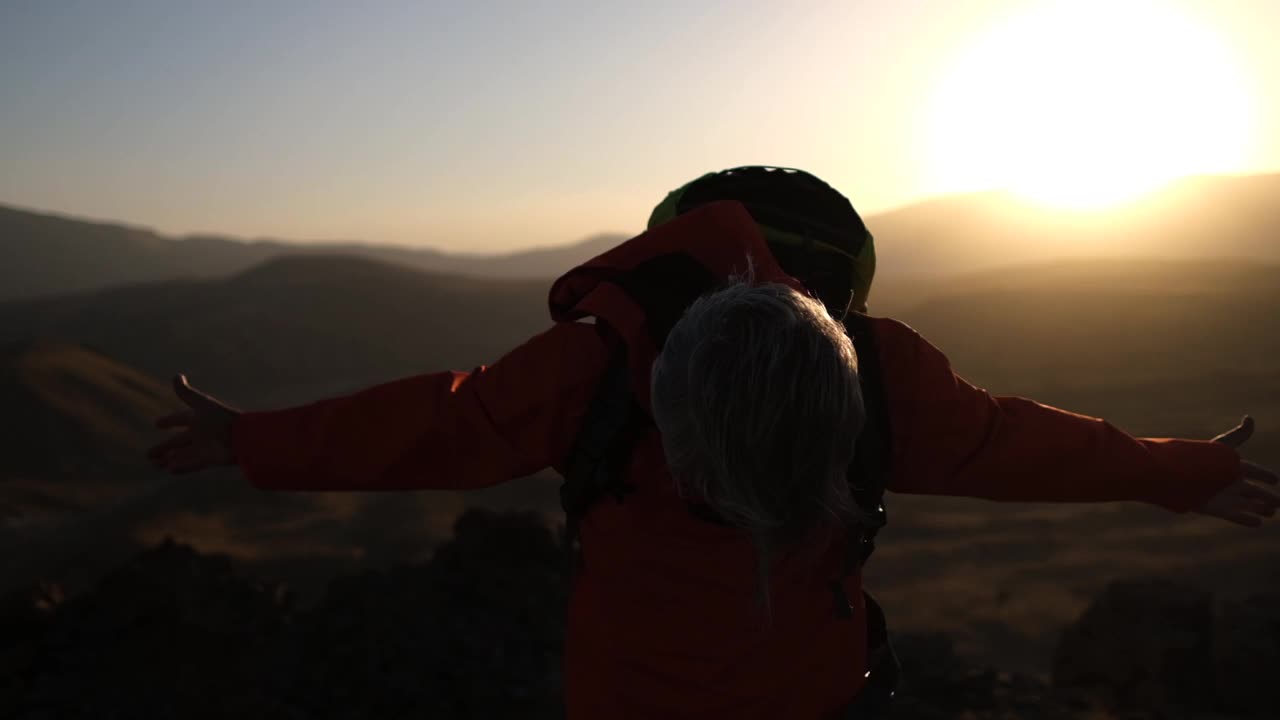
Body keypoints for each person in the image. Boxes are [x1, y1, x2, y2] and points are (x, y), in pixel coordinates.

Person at [147, 167, 1279, 719]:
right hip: (816, 698)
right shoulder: (876, 373)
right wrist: (1188, 474)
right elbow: (1020, 446)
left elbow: (441, 425)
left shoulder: (597, 358)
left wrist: (256, 440)